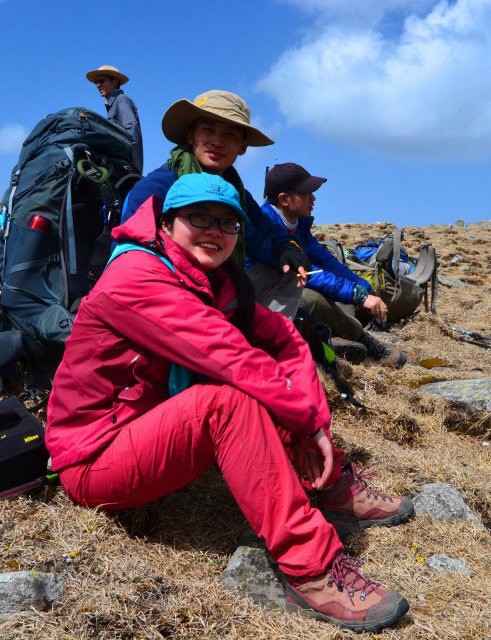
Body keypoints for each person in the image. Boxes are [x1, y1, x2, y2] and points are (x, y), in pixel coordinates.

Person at [46, 173, 413, 632]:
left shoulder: (210, 279)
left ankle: (330, 484)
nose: (214, 231)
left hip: (150, 431)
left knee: (266, 383)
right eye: (198, 217)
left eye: (227, 222)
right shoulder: (136, 276)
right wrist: (306, 424)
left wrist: (314, 422)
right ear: (166, 223)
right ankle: (312, 569)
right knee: (231, 398)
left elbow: (284, 338)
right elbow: (230, 356)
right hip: (94, 458)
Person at [120, 90, 311, 319]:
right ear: (191, 135)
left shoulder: (237, 194)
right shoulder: (155, 189)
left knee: (288, 272)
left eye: (230, 135)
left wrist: (287, 249)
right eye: (208, 130)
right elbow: (132, 257)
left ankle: (255, 332)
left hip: (217, 289)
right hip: (163, 292)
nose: (217, 141)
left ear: (242, 146)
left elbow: (263, 234)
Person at [260, 162, 406, 368]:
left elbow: (325, 261)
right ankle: (365, 343)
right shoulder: (265, 226)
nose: (313, 198)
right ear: (284, 199)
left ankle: (331, 337)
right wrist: (358, 296)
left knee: (342, 298)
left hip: (284, 294)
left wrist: (363, 287)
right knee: (315, 299)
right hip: (264, 300)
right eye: (306, 193)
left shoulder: (296, 224)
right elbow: (309, 273)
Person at [86, 65, 143, 173]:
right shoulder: (113, 104)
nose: (98, 85)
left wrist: (122, 155)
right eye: (96, 82)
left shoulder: (121, 99)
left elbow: (132, 128)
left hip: (126, 168)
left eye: (101, 81)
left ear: (115, 82)